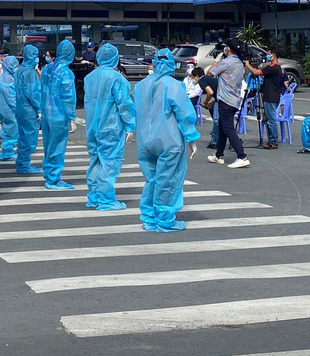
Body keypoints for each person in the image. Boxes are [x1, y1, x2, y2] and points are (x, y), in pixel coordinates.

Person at [133, 48, 201, 232]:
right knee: (168, 180)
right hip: (168, 140)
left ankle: (149, 217)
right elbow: (184, 114)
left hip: (145, 141)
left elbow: (135, 111)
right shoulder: (173, 85)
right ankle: (164, 219)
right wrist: (191, 137)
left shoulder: (140, 86)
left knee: (152, 179)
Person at [83, 43, 136, 210]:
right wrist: (130, 125)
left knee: (95, 161)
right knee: (109, 162)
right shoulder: (117, 78)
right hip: (110, 127)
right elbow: (124, 104)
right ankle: (106, 200)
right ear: (115, 58)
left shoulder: (89, 77)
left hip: (92, 126)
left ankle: (94, 196)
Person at [38, 39, 78, 189]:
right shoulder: (66, 73)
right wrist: (72, 117)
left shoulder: (47, 69)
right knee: (57, 147)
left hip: (47, 113)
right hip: (59, 115)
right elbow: (68, 97)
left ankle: (49, 175)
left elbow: (42, 91)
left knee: (49, 146)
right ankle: (54, 179)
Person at [206, 40, 249, 168]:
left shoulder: (226, 62)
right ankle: (218, 155)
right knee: (222, 127)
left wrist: (217, 60)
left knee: (228, 128)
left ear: (228, 49)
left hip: (225, 100)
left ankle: (242, 156)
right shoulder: (240, 64)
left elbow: (209, 73)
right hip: (234, 100)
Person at [13, 43, 43, 174]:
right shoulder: (29, 72)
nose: (36, 58)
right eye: (35, 55)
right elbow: (33, 93)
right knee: (29, 138)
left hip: (21, 108)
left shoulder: (19, 70)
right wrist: (39, 109)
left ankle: (21, 162)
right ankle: (24, 164)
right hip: (29, 109)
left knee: (23, 136)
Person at [248, 51, 284, 149]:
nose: (268, 56)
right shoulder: (273, 68)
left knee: (271, 120)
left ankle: (273, 141)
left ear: (274, 55)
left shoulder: (274, 68)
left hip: (271, 96)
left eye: (269, 54)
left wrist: (247, 64)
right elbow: (262, 73)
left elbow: (256, 72)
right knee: (268, 119)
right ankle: (271, 140)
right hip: (270, 95)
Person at [0, 50, 18, 162]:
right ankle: (7, 152)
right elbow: (11, 96)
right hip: (9, 109)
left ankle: (6, 151)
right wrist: (17, 108)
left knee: (6, 129)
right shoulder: (8, 78)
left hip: (3, 108)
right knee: (11, 130)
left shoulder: (4, 76)